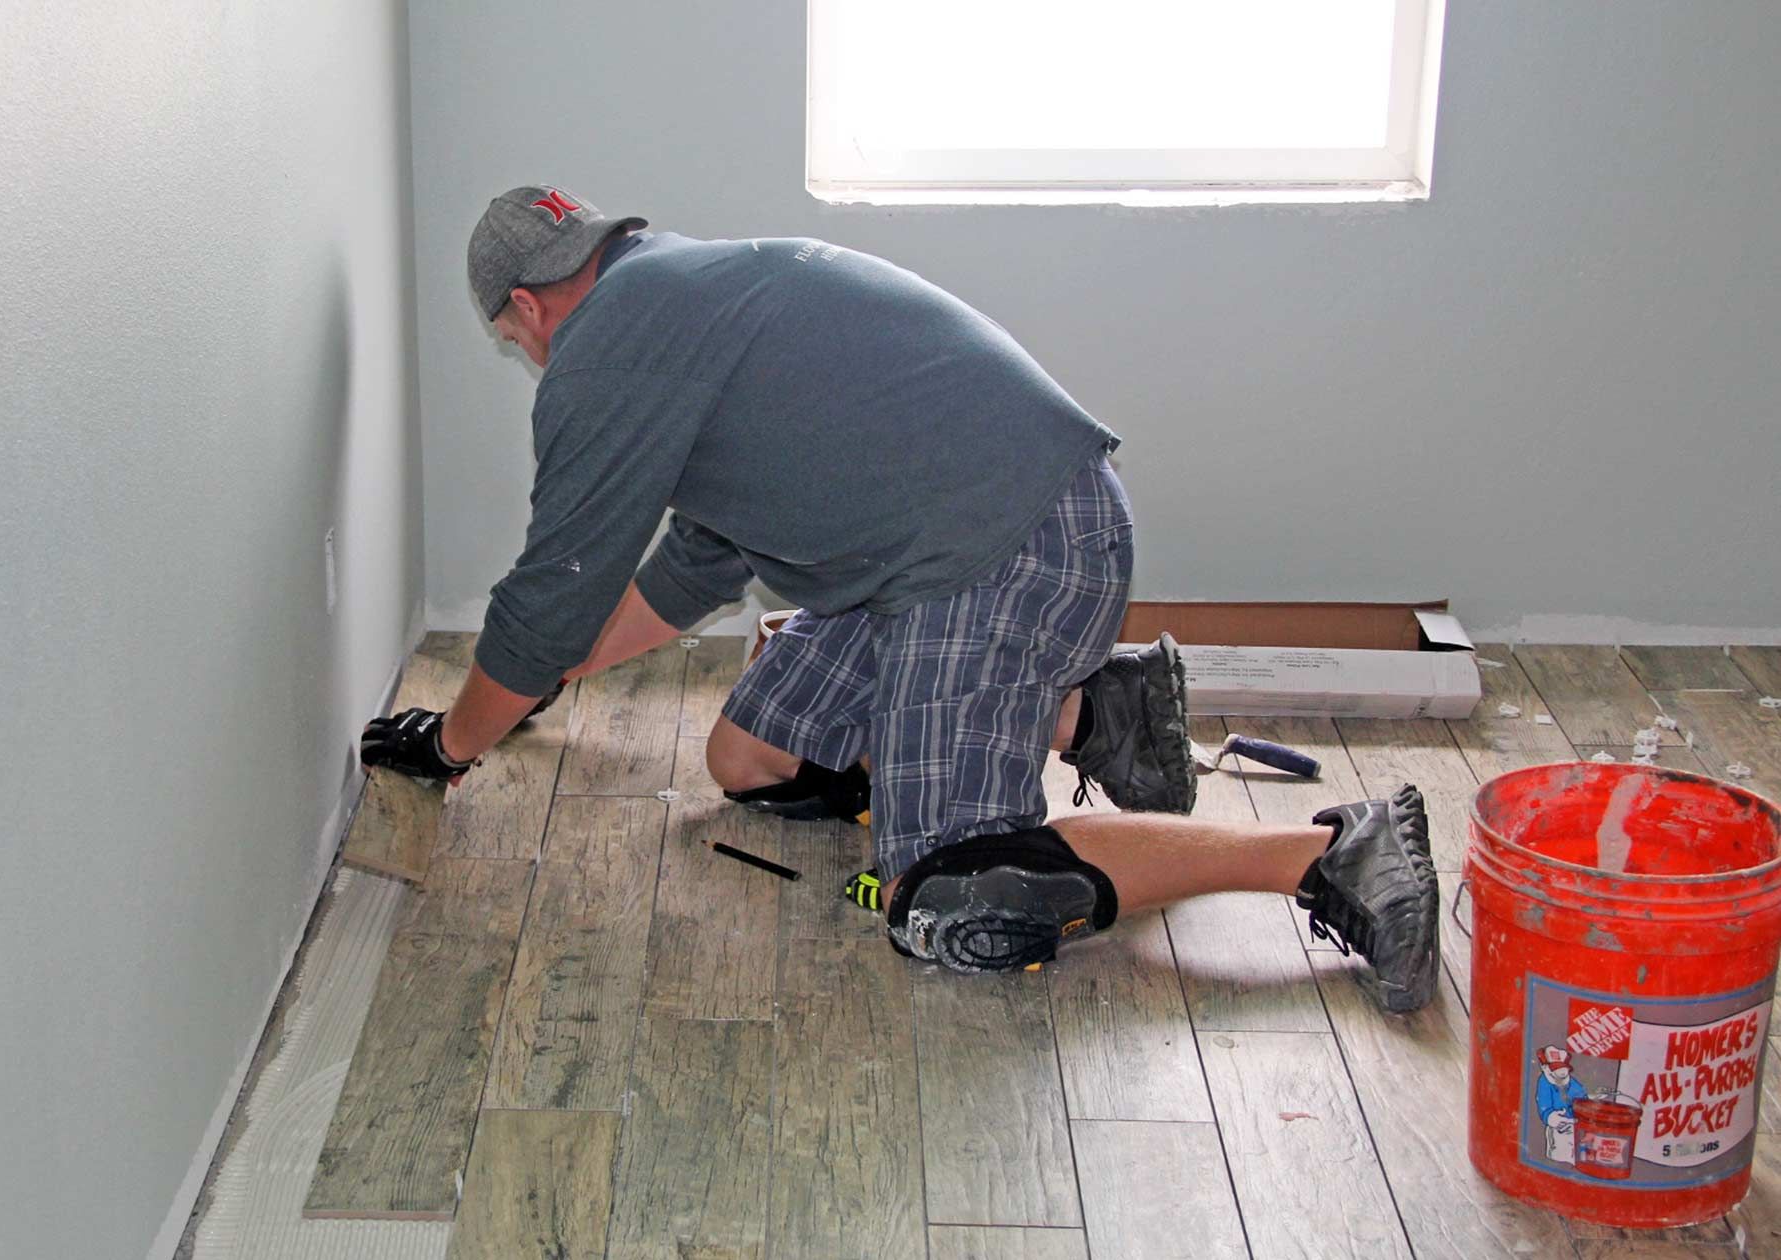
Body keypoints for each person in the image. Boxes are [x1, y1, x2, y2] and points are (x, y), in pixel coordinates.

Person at [360, 185, 1440, 1012]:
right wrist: (549, 674)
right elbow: (694, 564)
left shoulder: (607, 350)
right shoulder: (680, 294)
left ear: (527, 306)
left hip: (1004, 555)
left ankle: (1329, 850)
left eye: (513, 342)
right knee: (752, 762)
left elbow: (552, 592)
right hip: (933, 557)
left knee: (951, 892)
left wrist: (454, 743)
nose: (527, 356)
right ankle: (1096, 713)